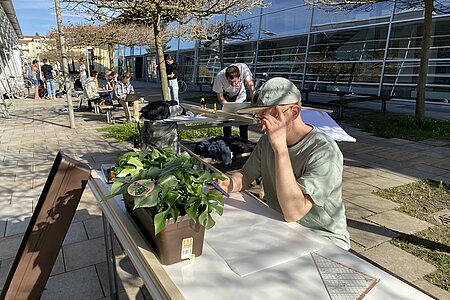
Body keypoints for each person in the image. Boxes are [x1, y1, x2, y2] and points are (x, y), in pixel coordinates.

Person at [218, 77, 350, 250]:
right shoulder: (267, 141)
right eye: (260, 119)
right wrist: (228, 184)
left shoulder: (325, 152)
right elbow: (247, 174)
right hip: (283, 229)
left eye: (270, 118)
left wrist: (281, 149)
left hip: (323, 239)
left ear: (294, 112)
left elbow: (294, 211)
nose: (263, 128)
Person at [213, 63, 256, 140]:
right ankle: (227, 140)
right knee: (226, 122)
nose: (233, 84)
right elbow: (220, 96)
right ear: (226, 78)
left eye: (235, 81)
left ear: (239, 76)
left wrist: (255, 102)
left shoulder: (243, 68)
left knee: (243, 121)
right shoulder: (219, 77)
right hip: (227, 98)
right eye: (230, 81)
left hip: (241, 96)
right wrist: (228, 108)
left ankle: (244, 141)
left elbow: (251, 86)